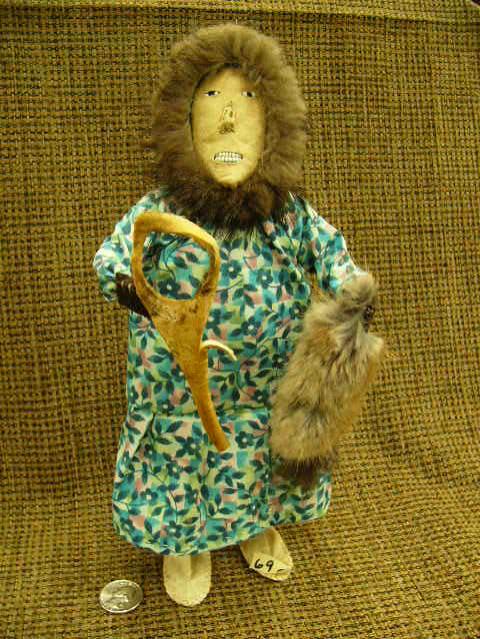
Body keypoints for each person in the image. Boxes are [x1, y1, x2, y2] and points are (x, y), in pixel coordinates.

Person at [93, 23, 382, 607]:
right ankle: (183, 544)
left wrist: (351, 290)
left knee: (258, 459)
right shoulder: (159, 211)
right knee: (178, 461)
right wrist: (127, 286)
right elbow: (113, 256)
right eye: (211, 99)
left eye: (247, 100)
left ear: (275, 127)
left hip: (263, 388)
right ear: (182, 122)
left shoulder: (288, 216)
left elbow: (330, 252)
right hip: (177, 389)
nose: (228, 119)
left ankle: (256, 526)